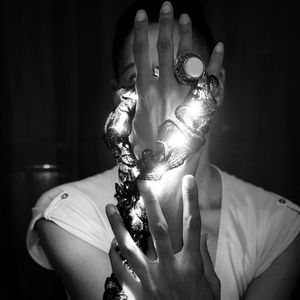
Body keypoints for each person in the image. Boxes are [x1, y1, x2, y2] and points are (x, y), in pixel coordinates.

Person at [26, 1, 300, 299]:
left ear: (216, 88)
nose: (160, 92)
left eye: (184, 71)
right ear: (117, 96)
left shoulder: (279, 227)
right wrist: (165, 173)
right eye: (138, 77)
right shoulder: (69, 214)